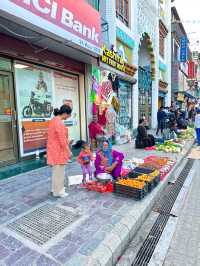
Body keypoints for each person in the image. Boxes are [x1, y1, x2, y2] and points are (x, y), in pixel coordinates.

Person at [47, 105, 72, 197]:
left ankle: (55, 189)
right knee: (59, 172)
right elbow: (62, 140)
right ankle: (59, 192)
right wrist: (68, 151)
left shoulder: (54, 120)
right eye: (68, 115)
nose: (68, 117)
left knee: (56, 172)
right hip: (58, 151)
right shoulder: (59, 122)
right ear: (65, 113)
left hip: (54, 149)